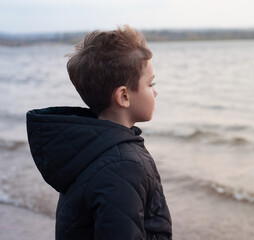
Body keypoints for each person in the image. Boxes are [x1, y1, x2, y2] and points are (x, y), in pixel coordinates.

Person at [26, 25, 172, 240]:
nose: (156, 91)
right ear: (123, 96)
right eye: (151, 84)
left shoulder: (87, 148)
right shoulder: (122, 167)